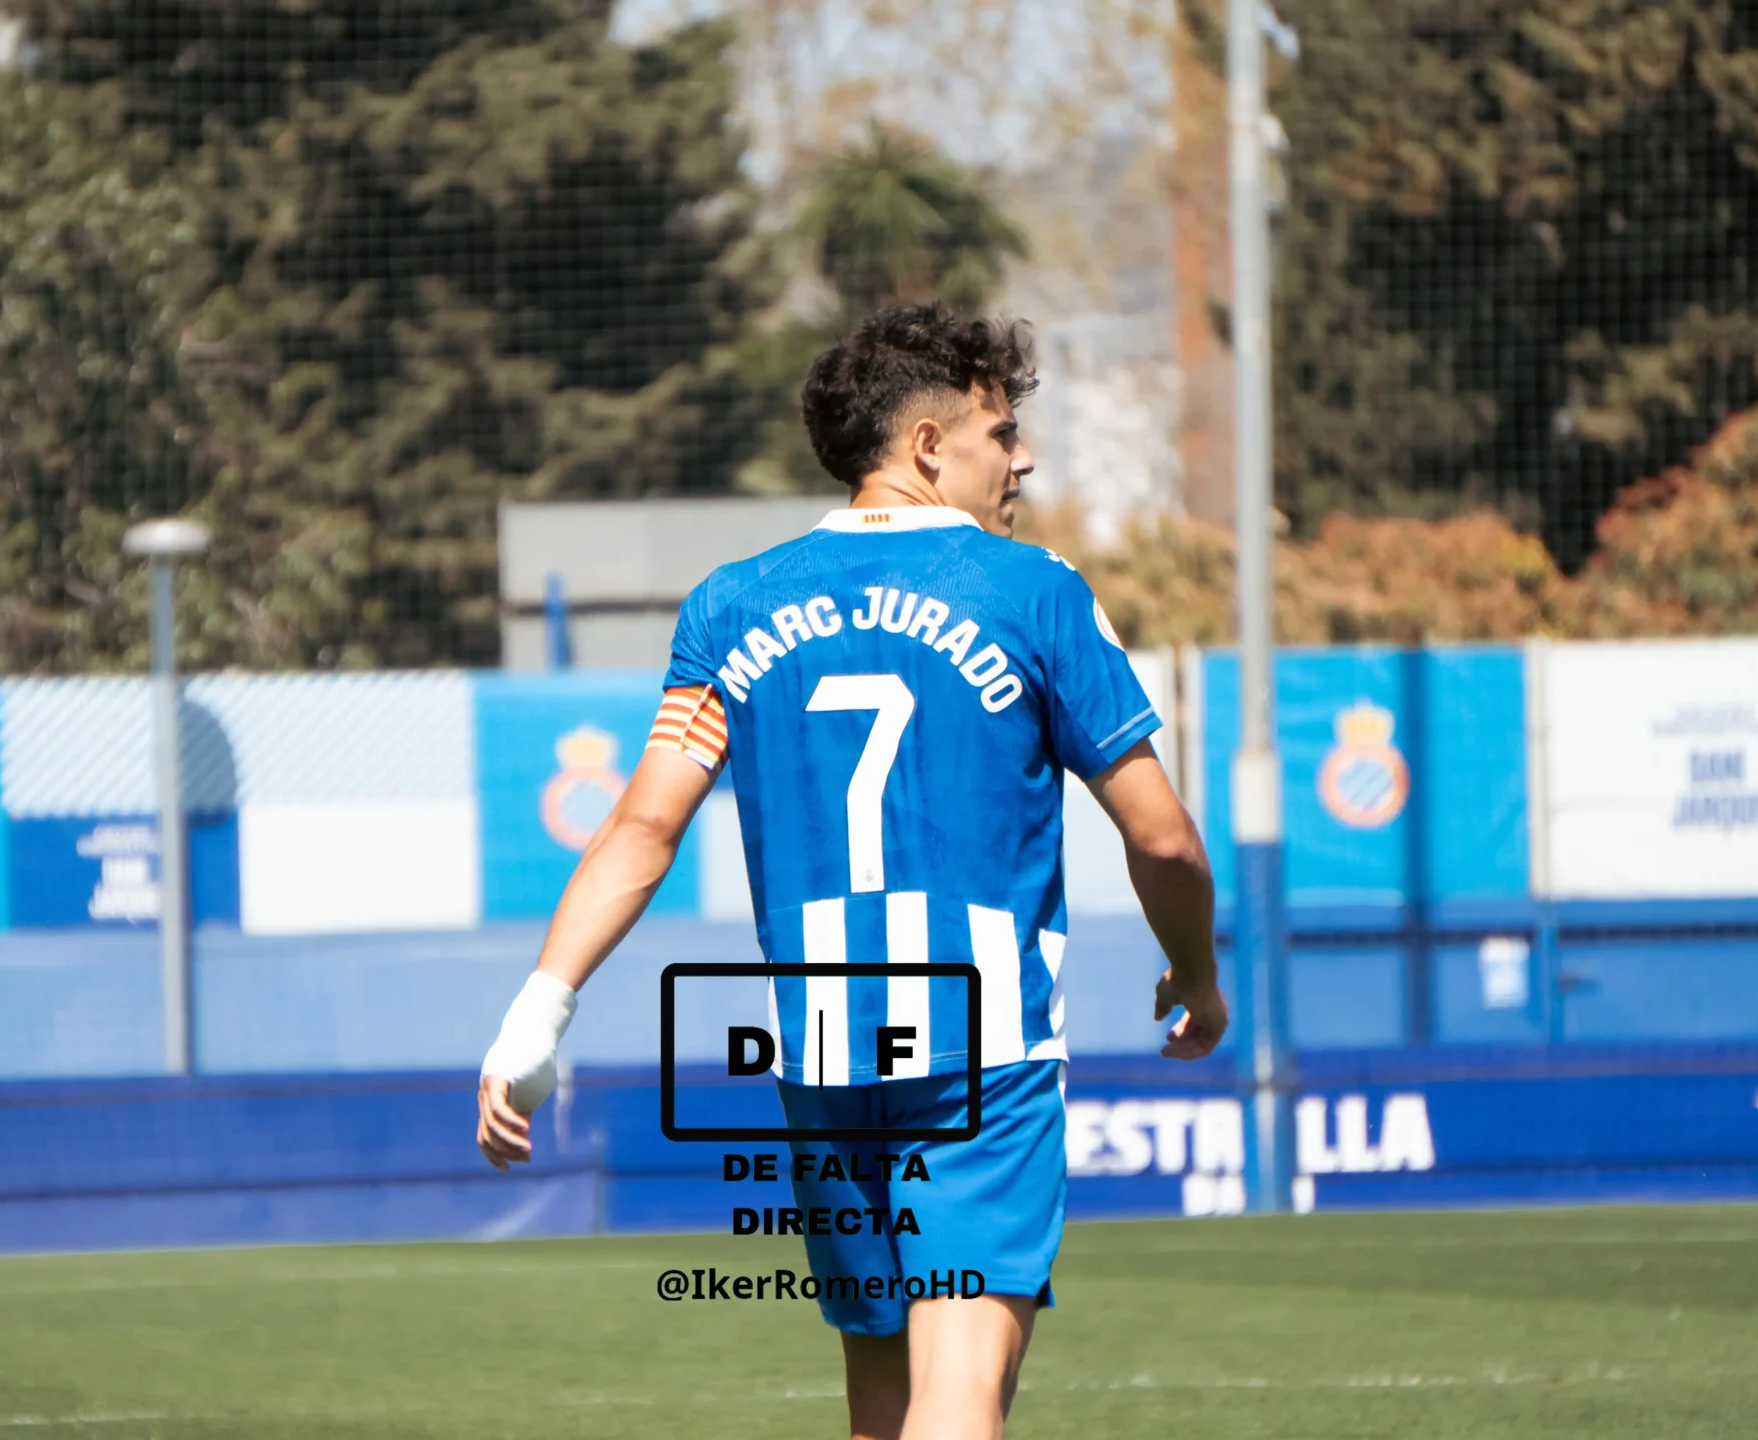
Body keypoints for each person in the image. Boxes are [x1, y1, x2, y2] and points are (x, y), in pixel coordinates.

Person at [474, 303, 1226, 1440]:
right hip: (980, 1052)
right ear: (928, 447)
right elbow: (1162, 837)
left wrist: (537, 1010)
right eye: (999, 430)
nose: (1020, 456)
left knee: (882, 1407)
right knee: (962, 1392)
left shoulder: (731, 605)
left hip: (824, 1055)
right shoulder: (1033, 594)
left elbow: (640, 828)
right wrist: (1196, 976)